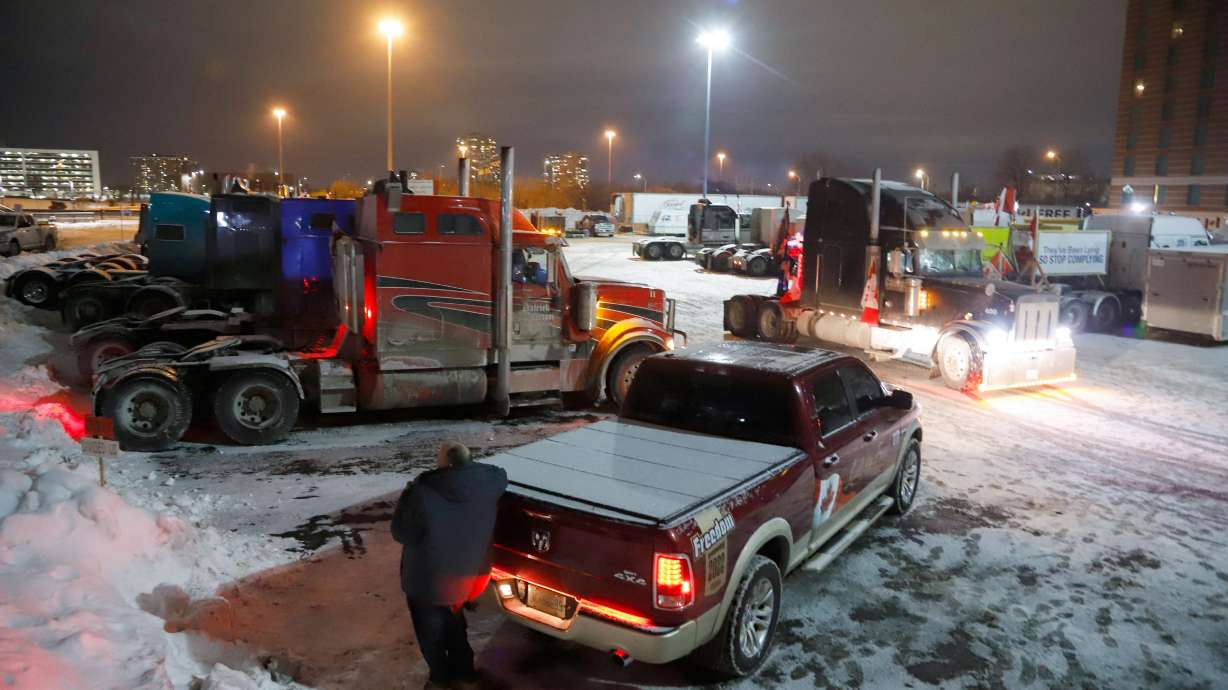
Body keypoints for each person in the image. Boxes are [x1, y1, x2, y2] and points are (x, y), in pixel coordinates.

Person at [391, 441, 508, 689]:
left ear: (446, 464)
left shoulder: (423, 493)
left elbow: (402, 533)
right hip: (468, 575)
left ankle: (440, 678)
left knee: (430, 633)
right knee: (454, 623)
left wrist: (406, 497)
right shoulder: (491, 483)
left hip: (429, 580)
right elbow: (500, 475)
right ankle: (465, 671)